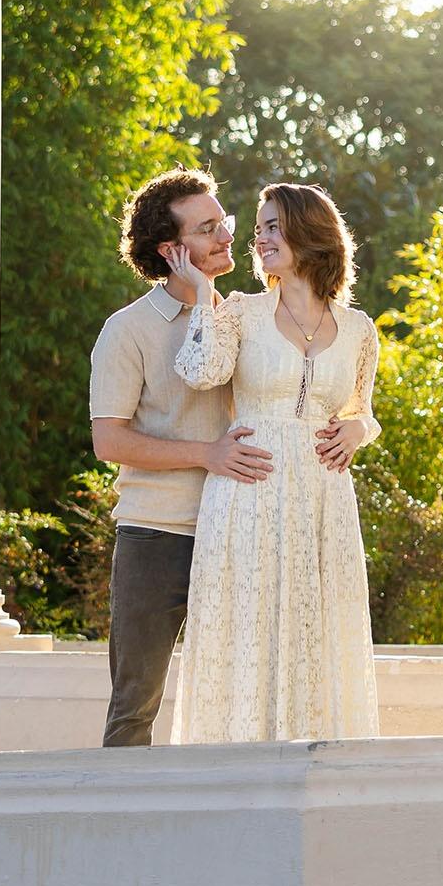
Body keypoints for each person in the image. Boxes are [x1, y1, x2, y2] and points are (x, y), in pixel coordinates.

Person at [164, 180, 381, 743]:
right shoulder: (240, 310)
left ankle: (319, 767)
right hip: (249, 491)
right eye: (257, 227)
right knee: (247, 629)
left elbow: (365, 411)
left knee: (317, 631)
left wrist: (359, 428)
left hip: (323, 500)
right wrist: (204, 289)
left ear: (310, 234)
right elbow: (201, 371)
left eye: (271, 227)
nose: (258, 238)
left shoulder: (359, 329)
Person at [88, 170, 273, 747]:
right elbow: (109, 442)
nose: (226, 238)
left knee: (247, 699)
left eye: (226, 223)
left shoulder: (251, 320)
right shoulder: (127, 332)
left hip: (241, 529)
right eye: (208, 228)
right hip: (156, 535)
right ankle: (121, 831)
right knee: (134, 706)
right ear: (172, 251)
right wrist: (207, 454)